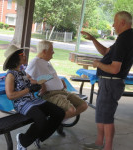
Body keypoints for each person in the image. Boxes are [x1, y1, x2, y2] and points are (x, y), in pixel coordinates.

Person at [81, 11, 133, 150]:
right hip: (109, 82)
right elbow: (106, 52)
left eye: (115, 22)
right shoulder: (125, 38)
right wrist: (93, 39)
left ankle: (107, 147)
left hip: (111, 81)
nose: (113, 25)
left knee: (106, 116)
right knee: (102, 114)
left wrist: (98, 64)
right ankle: (99, 143)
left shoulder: (124, 40)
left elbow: (115, 69)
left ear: (122, 22)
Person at [3, 45, 65, 150]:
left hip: (33, 101)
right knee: (41, 119)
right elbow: (10, 95)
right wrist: (28, 90)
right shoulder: (10, 75)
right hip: (22, 104)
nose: (25, 55)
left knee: (59, 113)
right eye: (22, 54)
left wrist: (45, 79)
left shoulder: (22, 71)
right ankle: (23, 141)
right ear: (15, 58)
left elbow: (32, 81)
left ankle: (39, 137)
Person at [25, 40, 88, 119]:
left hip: (62, 91)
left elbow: (47, 76)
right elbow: (26, 79)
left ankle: (58, 122)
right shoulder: (35, 62)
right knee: (71, 110)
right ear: (44, 51)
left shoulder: (46, 62)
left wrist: (60, 80)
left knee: (84, 105)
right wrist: (41, 84)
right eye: (51, 50)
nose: (53, 52)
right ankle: (52, 125)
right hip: (51, 94)